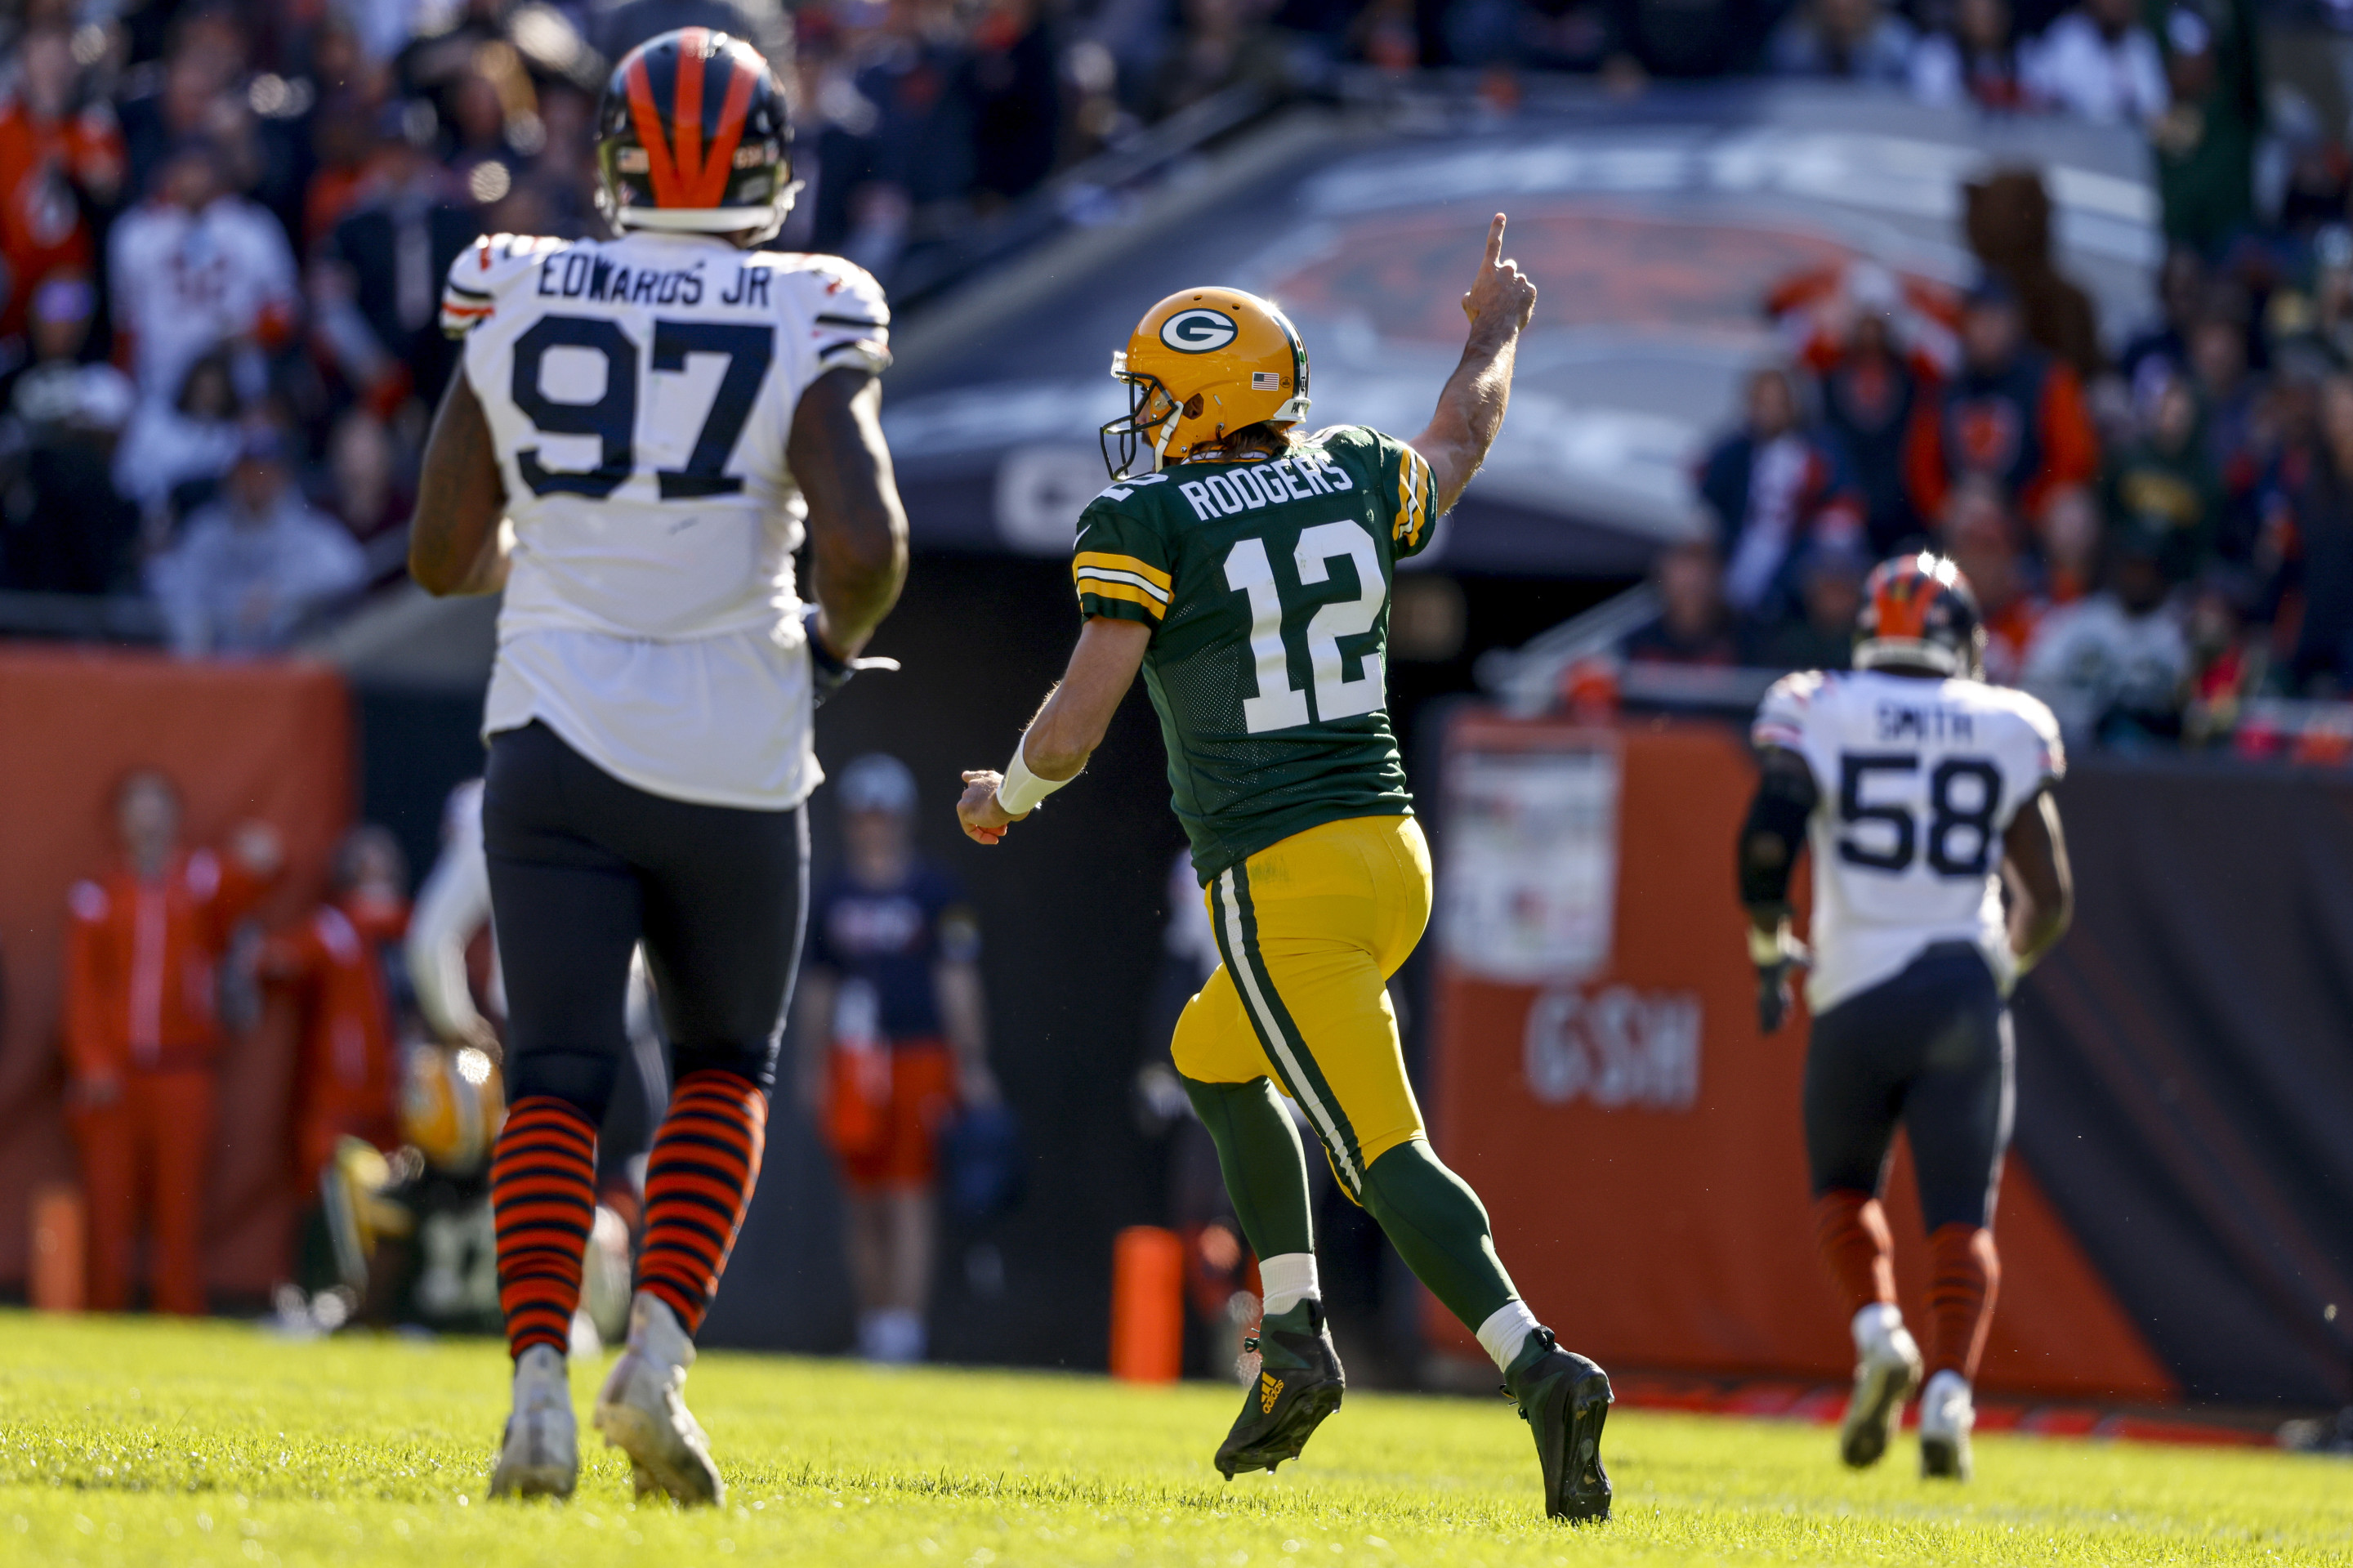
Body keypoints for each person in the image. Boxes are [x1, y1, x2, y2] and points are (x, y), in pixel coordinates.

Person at [953, 219, 1615, 1523]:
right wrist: (1494, 332)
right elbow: (1462, 442)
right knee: (1213, 1057)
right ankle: (1298, 1335)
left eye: (1154, 391)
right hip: (1392, 853)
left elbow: (1076, 725)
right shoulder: (1357, 471)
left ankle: (1538, 1363)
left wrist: (1006, 795)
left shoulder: (1146, 515)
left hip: (1281, 872)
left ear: (1202, 397)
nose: (1141, 415)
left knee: (1380, 1149)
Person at [409, 29, 907, 1505]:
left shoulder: (515, 278)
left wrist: (542, 554)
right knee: (720, 1067)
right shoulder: (812, 299)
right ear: (767, 164)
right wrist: (823, 641)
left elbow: (440, 555)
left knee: (554, 1073)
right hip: (737, 741)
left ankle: (538, 1391)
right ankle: (660, 1362)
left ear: (616, 163)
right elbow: (870, 545)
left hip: (553, 727)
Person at [1739, 553, 2072, 1481]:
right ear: (1960, 636)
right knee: (1963, 1210)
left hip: (1852, 989)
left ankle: (1880, 1330)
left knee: (1845, 1187)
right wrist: (1999, 964)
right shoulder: (2005, 721)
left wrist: (1771, 949)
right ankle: (1952, 1396)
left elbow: (1765, 846)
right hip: (1961, 979)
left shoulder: (1821, 702)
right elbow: (2050, 895)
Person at [797, 753, 998, 1365]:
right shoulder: (833, 892)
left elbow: (957, 978)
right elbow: (818, 988)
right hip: (853, 1059)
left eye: (883, 816)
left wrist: (970, 1059)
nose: (873, 827)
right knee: (863, 1194)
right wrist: (811, 1065)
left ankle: (902, 1331)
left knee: (910, 1190)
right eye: (863, 816)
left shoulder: (934, 888)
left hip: (920, 1054)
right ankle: (876, 1320)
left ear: (903, 820)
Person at [62, 771, 283, 1315]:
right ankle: (103, 1313)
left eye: (157, 804)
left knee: (179, 1207)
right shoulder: (98, 893)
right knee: (109, 1205)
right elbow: (83, 988)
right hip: (116, 1072)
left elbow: (257, 872)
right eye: (136, 805)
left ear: (174, 814)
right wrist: (91, 1060)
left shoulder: (199, 879)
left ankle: (178, 1314)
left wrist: (260, 852)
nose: (147, 817)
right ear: (119, 819)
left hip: (185, 1069)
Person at [261, 826, 411, 1187]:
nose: (376, 878)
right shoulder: (336, 928)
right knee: (339, 1194)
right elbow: (280, 957)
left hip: (404, 1092)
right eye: (365, 868)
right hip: (343, 1094)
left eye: (383, 868)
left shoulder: (415, 930)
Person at [145, 427, 368, 656]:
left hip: (286, 664)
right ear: (232, 476)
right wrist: (198, 634)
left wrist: (280, 597)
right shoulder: (206, 531)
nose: (256, 481)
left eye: (265, 472)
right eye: (247, 472)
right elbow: (179, 592)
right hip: (218, 665)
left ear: (282, 476)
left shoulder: (308, 529)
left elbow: (349, 570)